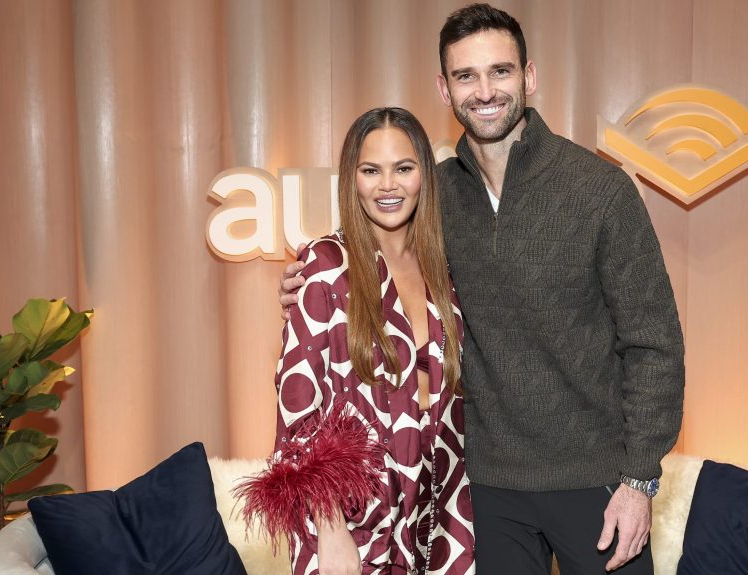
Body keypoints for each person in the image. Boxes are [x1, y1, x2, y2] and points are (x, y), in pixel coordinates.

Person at [281, 5, 684, 574]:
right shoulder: (435, 197)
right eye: (466, 76)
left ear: (529, 77)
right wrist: (311, 282)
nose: (485, 90)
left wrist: (639, 480)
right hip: (482, 493)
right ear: (444, 90)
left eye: (500, 71)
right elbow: (373, 261)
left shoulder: (599, 190)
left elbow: (655, 346)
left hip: (596, 484)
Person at [239, 107, 475, 575]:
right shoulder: (326, 264)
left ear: (424, 176)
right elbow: (298, 407)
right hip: (355, 520)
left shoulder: (444, 270)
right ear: (352, 179)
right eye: (371, 171)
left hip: (442, 514)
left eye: (403, 168)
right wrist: (330, 530)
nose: (388, 185)